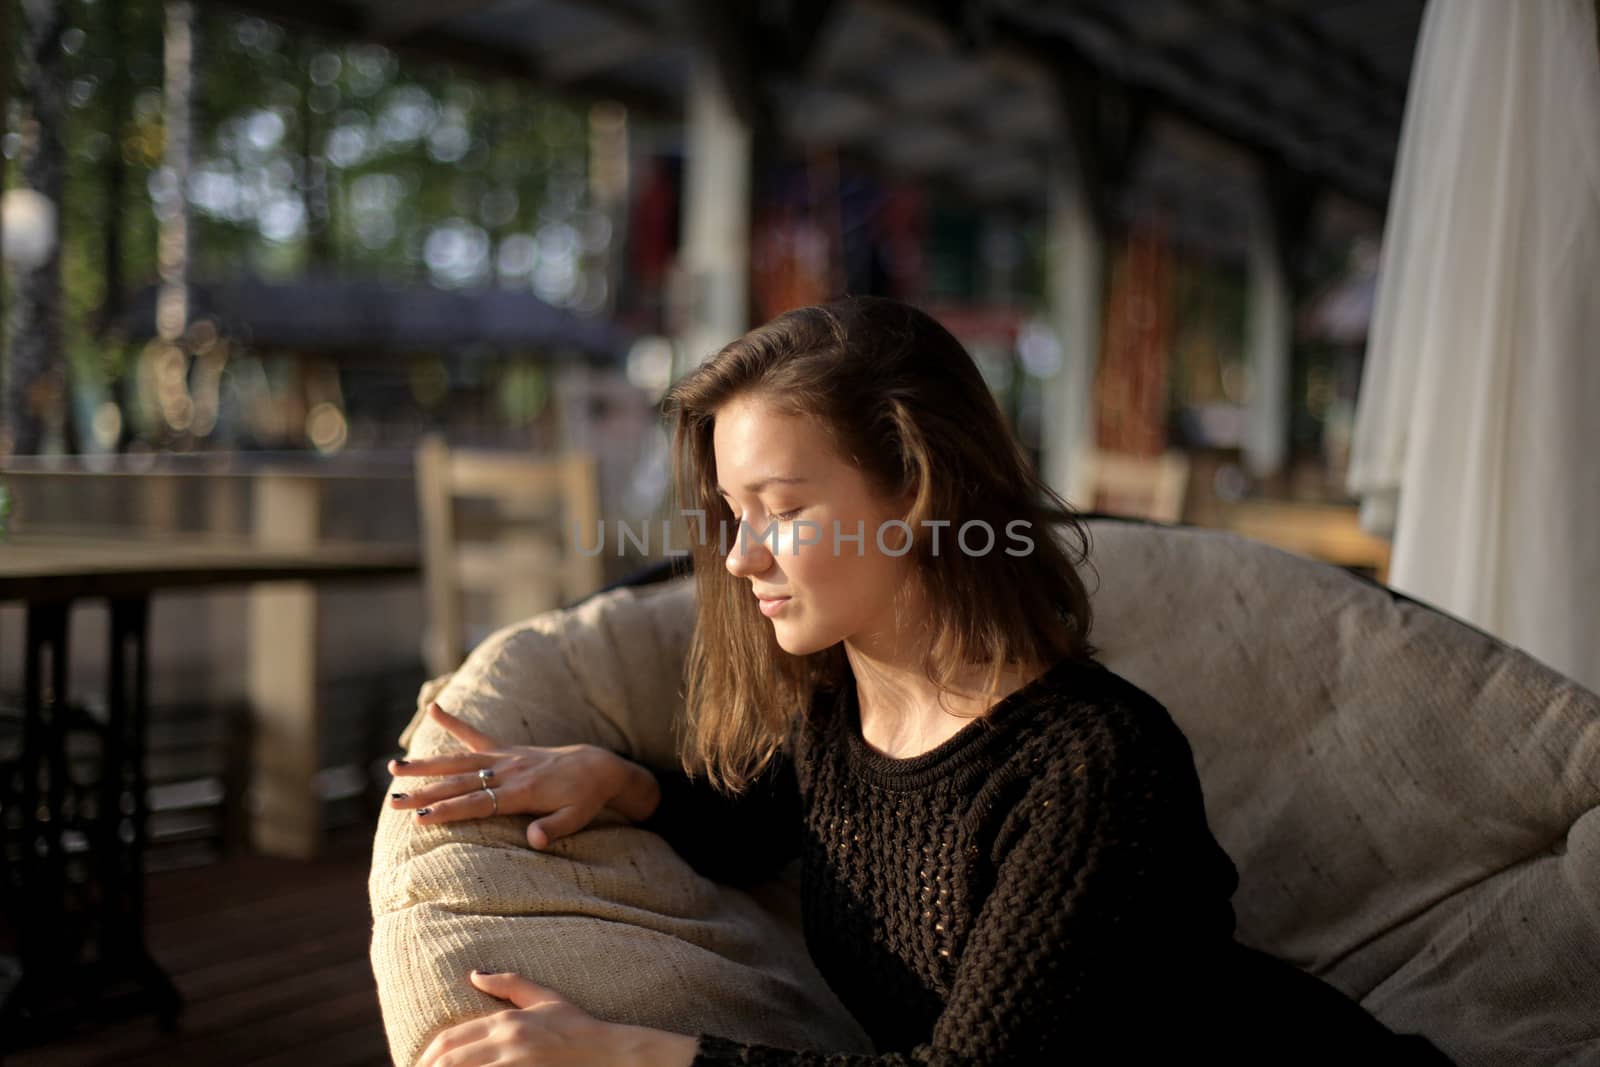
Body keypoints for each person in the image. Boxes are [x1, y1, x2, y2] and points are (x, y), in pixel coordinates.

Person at [390, 296, 1455, 1066]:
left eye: (783, 509)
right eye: (732, 512)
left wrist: (625, 1052)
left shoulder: (1093, 762)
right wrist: (619, 781)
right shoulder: (837, 702)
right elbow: (767, 823)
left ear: (916, 491)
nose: (741, 557)